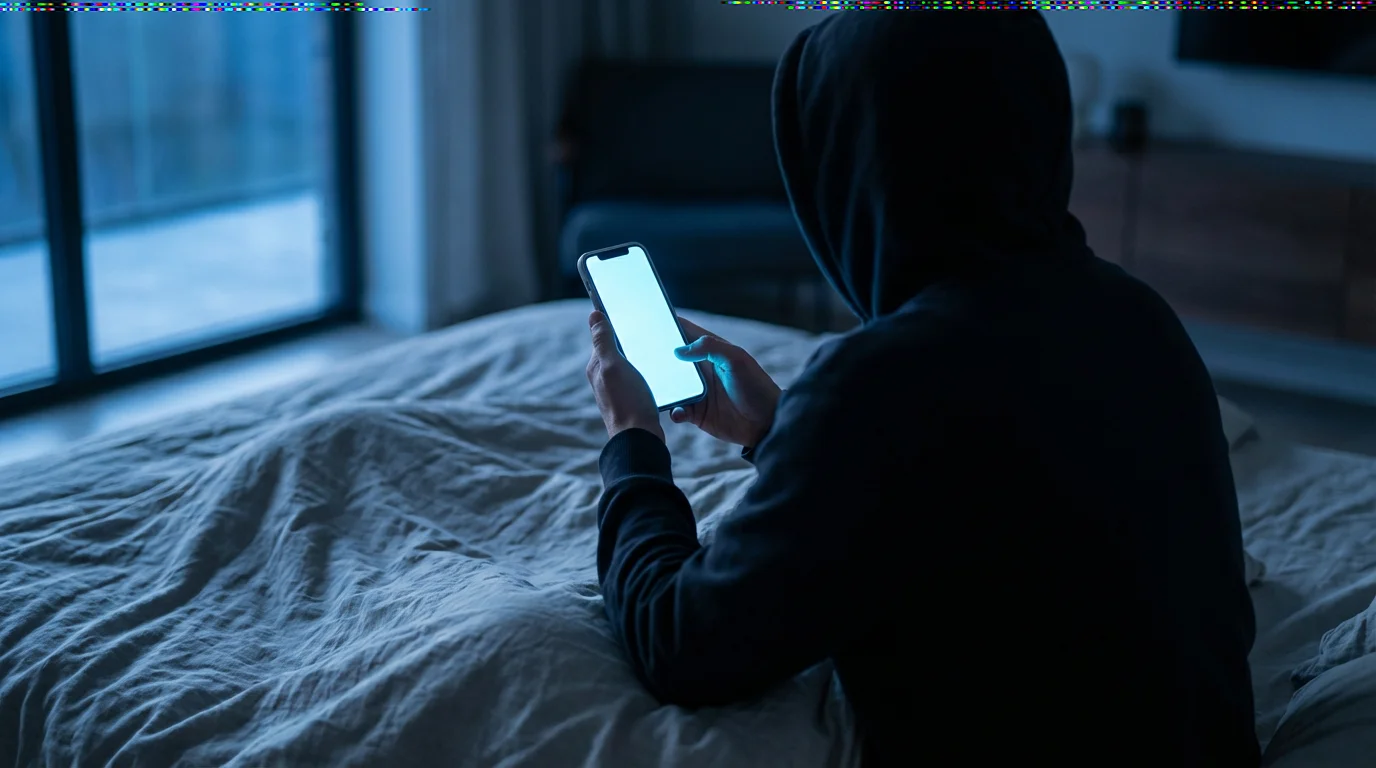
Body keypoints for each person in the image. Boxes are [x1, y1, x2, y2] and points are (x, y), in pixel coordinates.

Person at [583, 11, 1259, 767]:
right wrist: (781, 432)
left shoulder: (884, 383)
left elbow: (680, 642)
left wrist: (632, 439)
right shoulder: (1139, 317)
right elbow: (984, 489)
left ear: (855, 170)